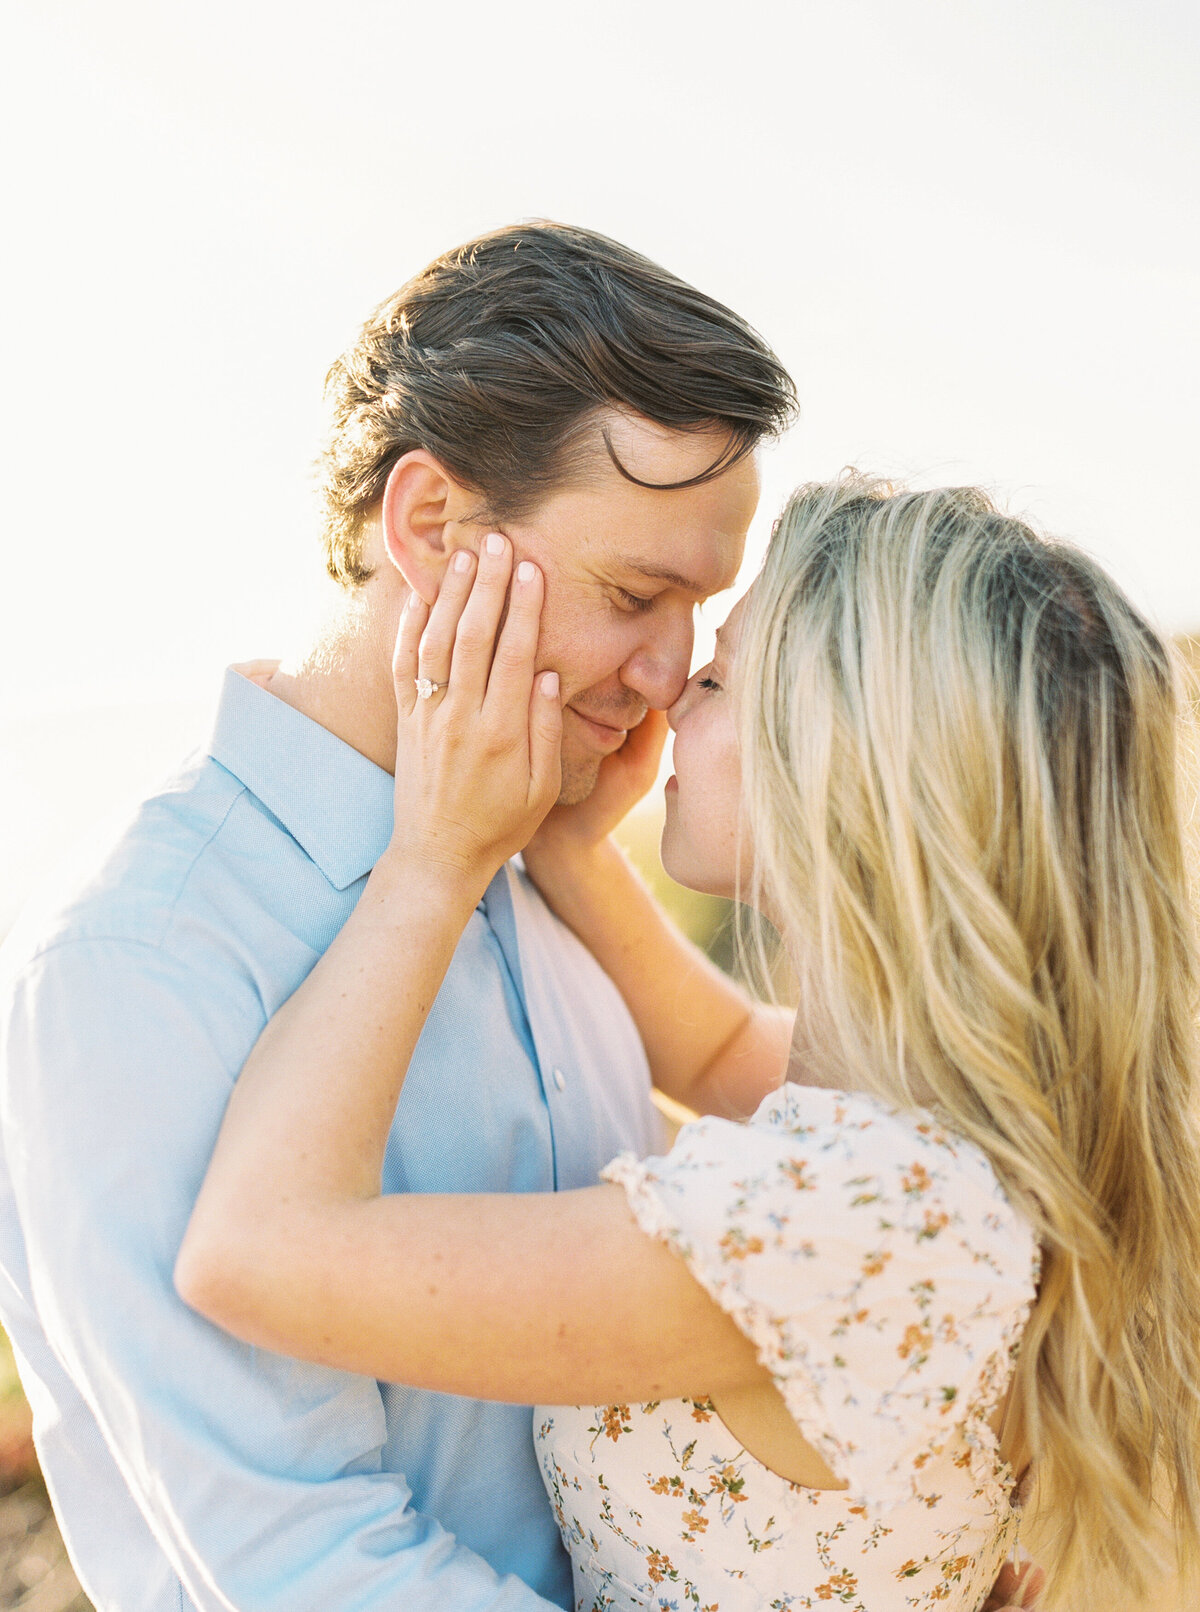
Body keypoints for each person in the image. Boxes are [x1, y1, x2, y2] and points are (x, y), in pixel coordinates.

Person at [177, 477, 1200, 1611]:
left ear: (839, 767)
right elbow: (717, 1055)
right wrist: (567, 846)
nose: (668, 695)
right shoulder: (957, 1135)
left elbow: (255, 1249)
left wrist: (437, 853)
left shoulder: (852, 1220)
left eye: (715, 678)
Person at [0, 223, 796, 1610]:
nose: (674, 677)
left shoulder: (549, 879)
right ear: (430, 528)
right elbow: (297, 1563)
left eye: (701, 610)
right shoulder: (138, 970)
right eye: (634, 596)